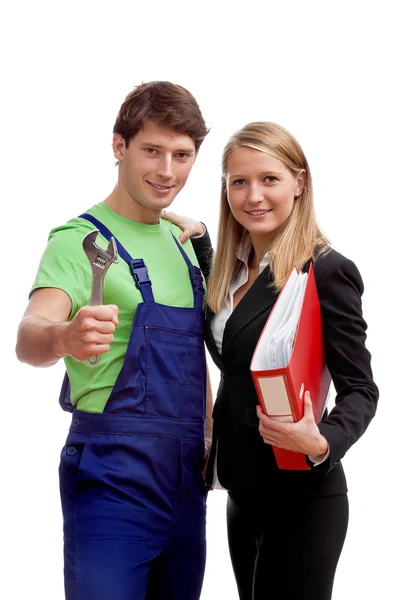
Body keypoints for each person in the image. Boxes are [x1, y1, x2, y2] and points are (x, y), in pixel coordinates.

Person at [15, 81, 214, 600]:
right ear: (119, 146)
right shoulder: (77, 239)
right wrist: (65, 336)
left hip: (186, 477)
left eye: (182, 155)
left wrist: (209, 443)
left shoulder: (183, 243)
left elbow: (196, 359)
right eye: (151, 150)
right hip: (112, 472)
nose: (166, 171)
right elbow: (28, 336)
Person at [165, 121, 379, 600]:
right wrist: (203, 243)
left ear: (299, 183)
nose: (253, 196)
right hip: (242, 492)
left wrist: (322, 440)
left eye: (269, 179)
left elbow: (363, 389)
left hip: (303, 497)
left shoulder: (325, 271)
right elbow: (238, 333)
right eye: (238, 182)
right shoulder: (232, 273)